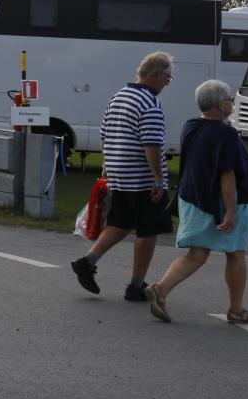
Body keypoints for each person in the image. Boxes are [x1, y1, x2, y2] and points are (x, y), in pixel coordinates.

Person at [145, 80, 248, 323]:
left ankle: (160, 289)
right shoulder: (226, 135)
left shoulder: (191, 126)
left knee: (197, 253)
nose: (232, 102)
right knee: (236, 252)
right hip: (222, 203)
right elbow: (227, 175)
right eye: (229, 98)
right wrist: (230, 211)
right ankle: (236, 309)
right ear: (220, 105)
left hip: (194, 198)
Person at [71, 52, 173, 299]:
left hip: (119, 175)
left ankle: (87, 261)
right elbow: (151, 144)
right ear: (157, 74)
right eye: (167, 79)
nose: (166, 84)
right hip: (142, 179)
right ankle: (136, 285)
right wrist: (158, 178)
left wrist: (107, 164)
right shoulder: (149, 102)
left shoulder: (119, 96)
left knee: (121, 223)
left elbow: (104, 134)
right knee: (148, 231)